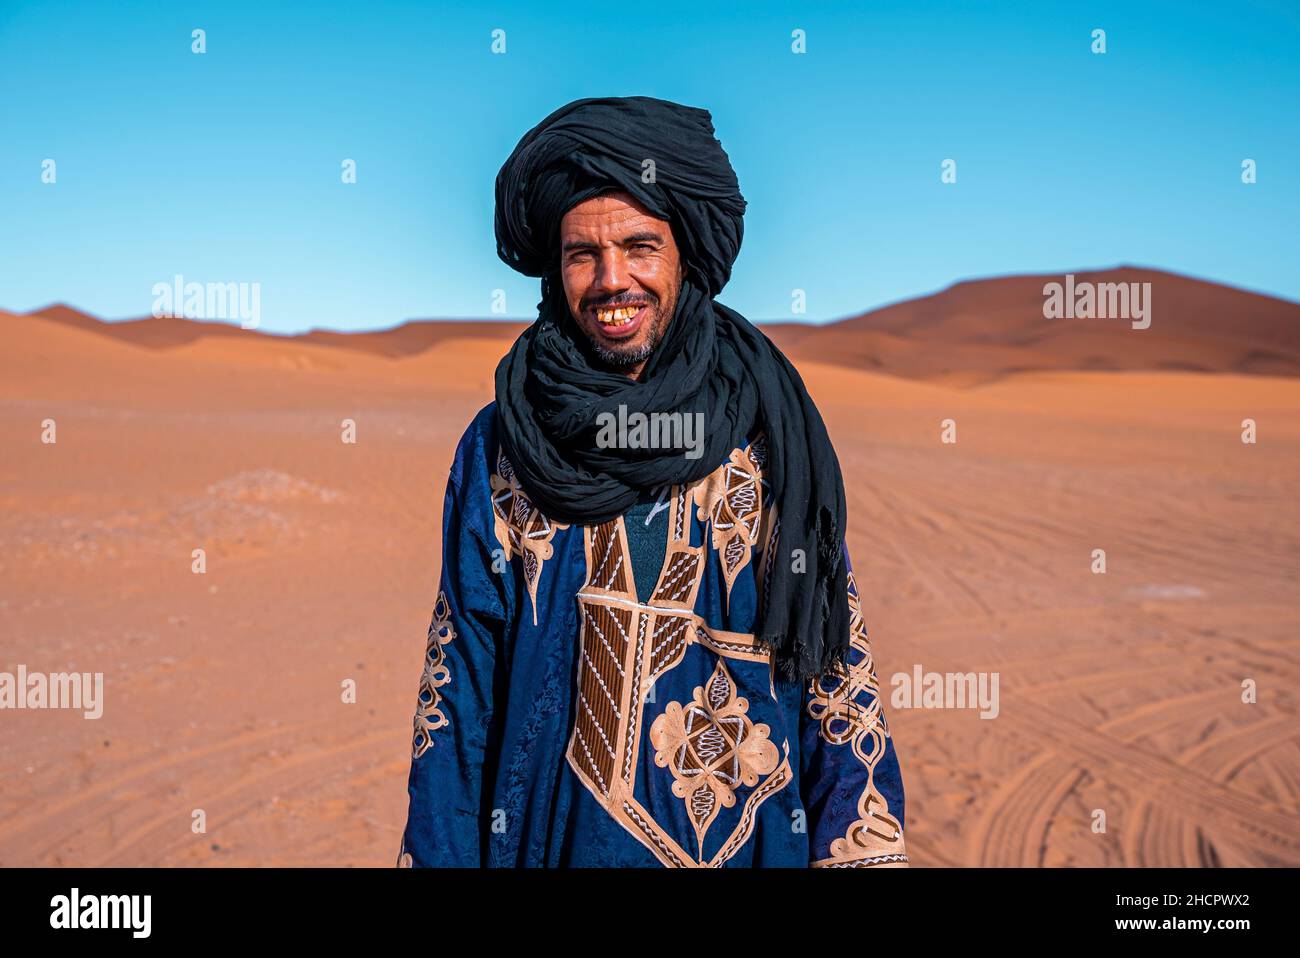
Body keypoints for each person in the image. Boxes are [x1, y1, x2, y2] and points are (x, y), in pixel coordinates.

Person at [398, 96, 908, 868]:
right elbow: (457, 695)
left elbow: (832, 682)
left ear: (684, 256)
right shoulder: (504, 444)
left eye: (639, 246)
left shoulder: (771, 436)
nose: (612, 282)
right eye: (581, 255)